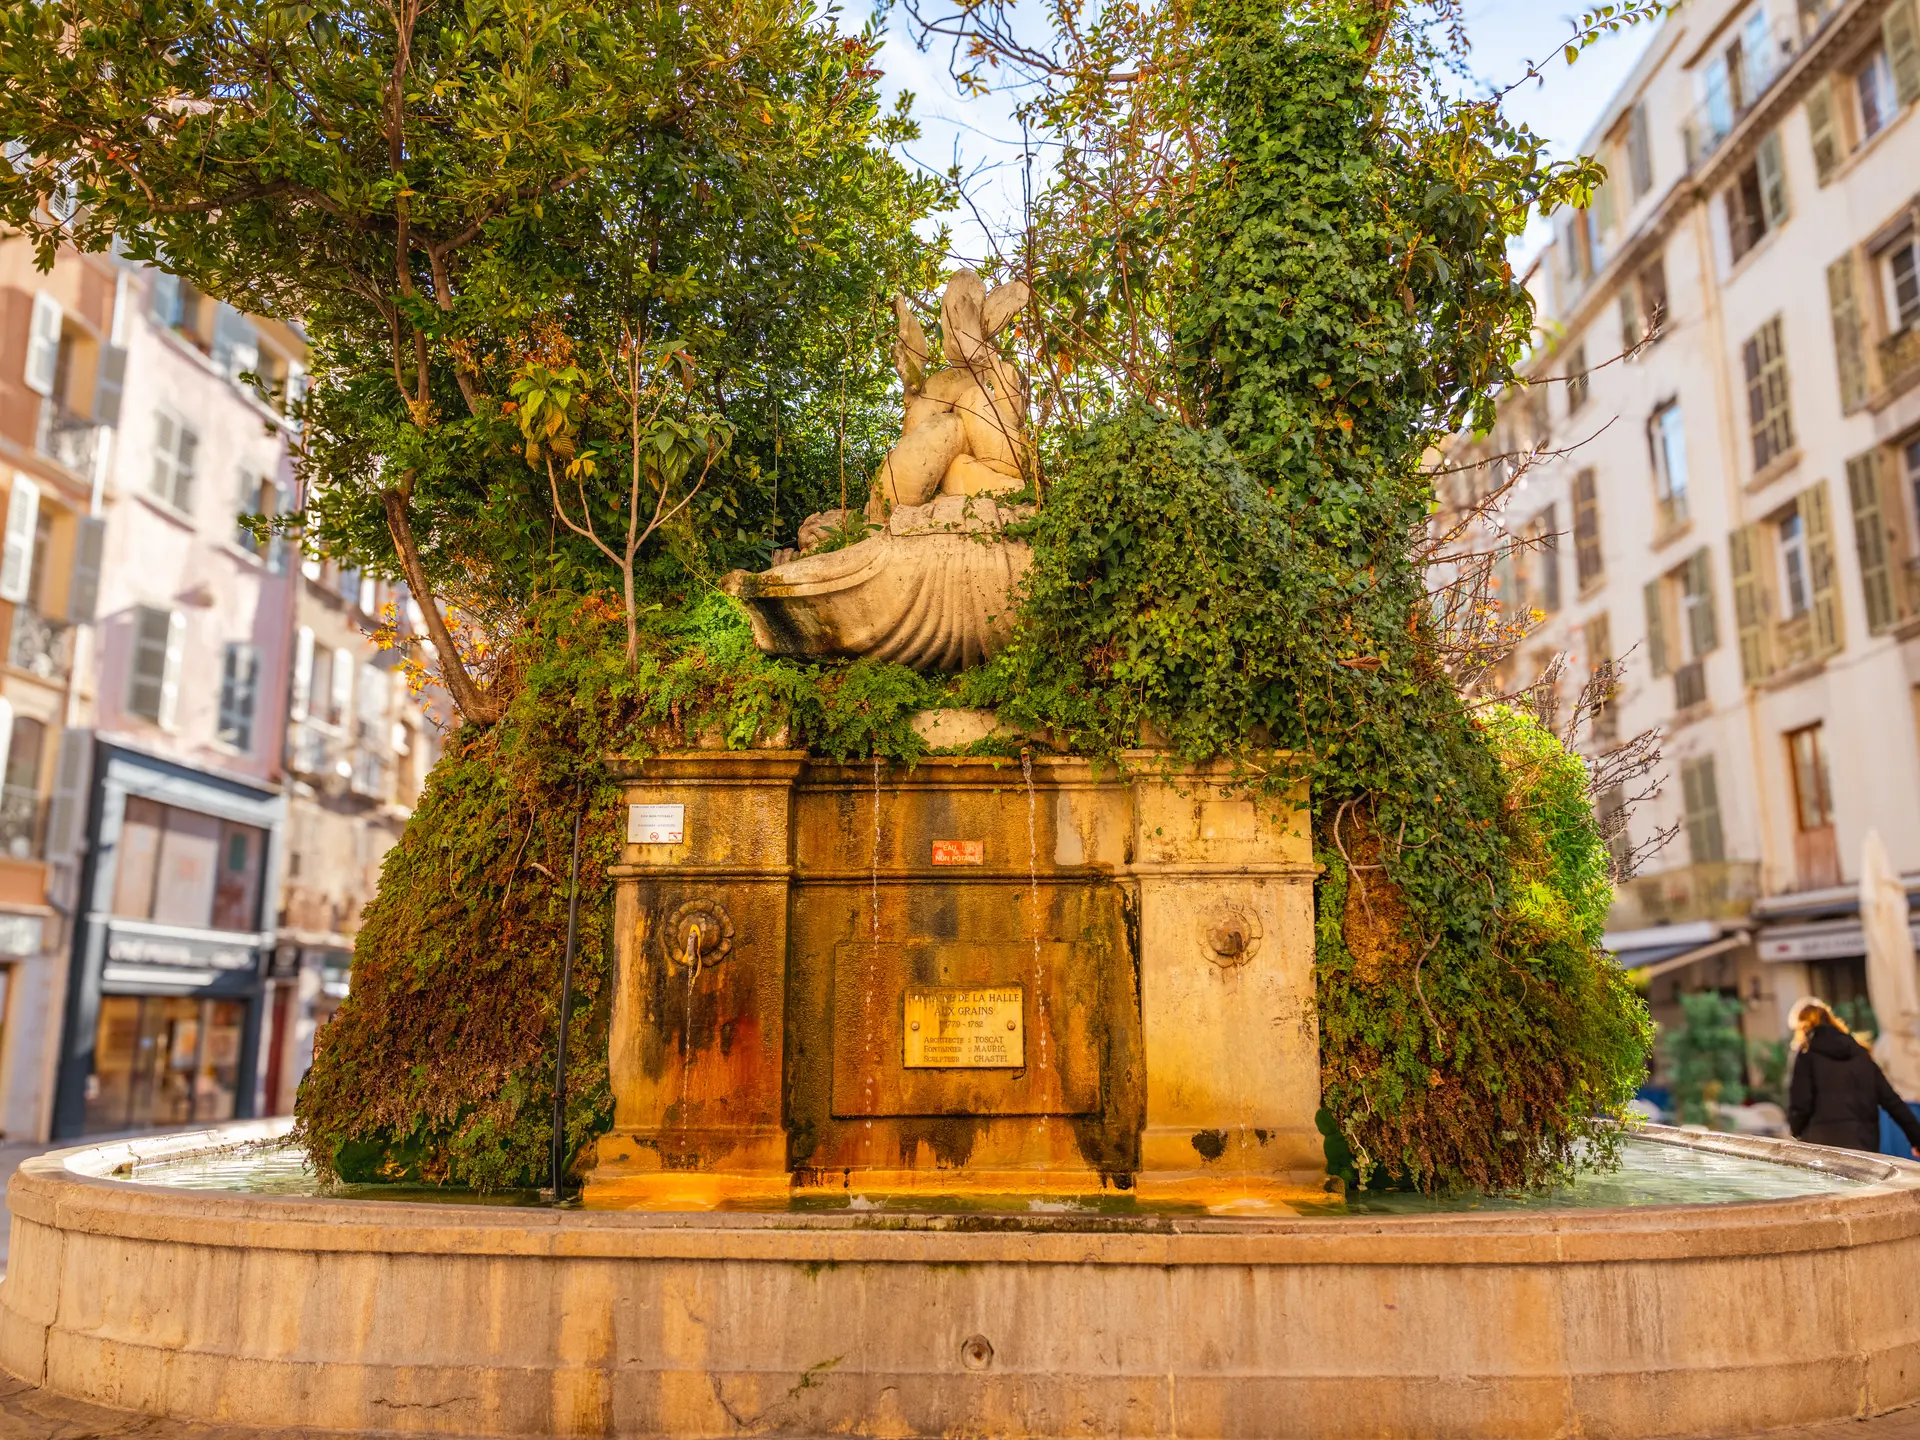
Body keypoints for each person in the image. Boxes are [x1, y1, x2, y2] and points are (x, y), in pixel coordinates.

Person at [1787, 997, 1920, 1155]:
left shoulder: (1806, 1055)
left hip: (1822, 1150)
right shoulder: (1860, 1055)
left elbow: (1801, 1105)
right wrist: (1916, 1139)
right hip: (1863, 1149)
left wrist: (1795, 1133)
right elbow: (1892, 1101)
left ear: (1802, 1027)